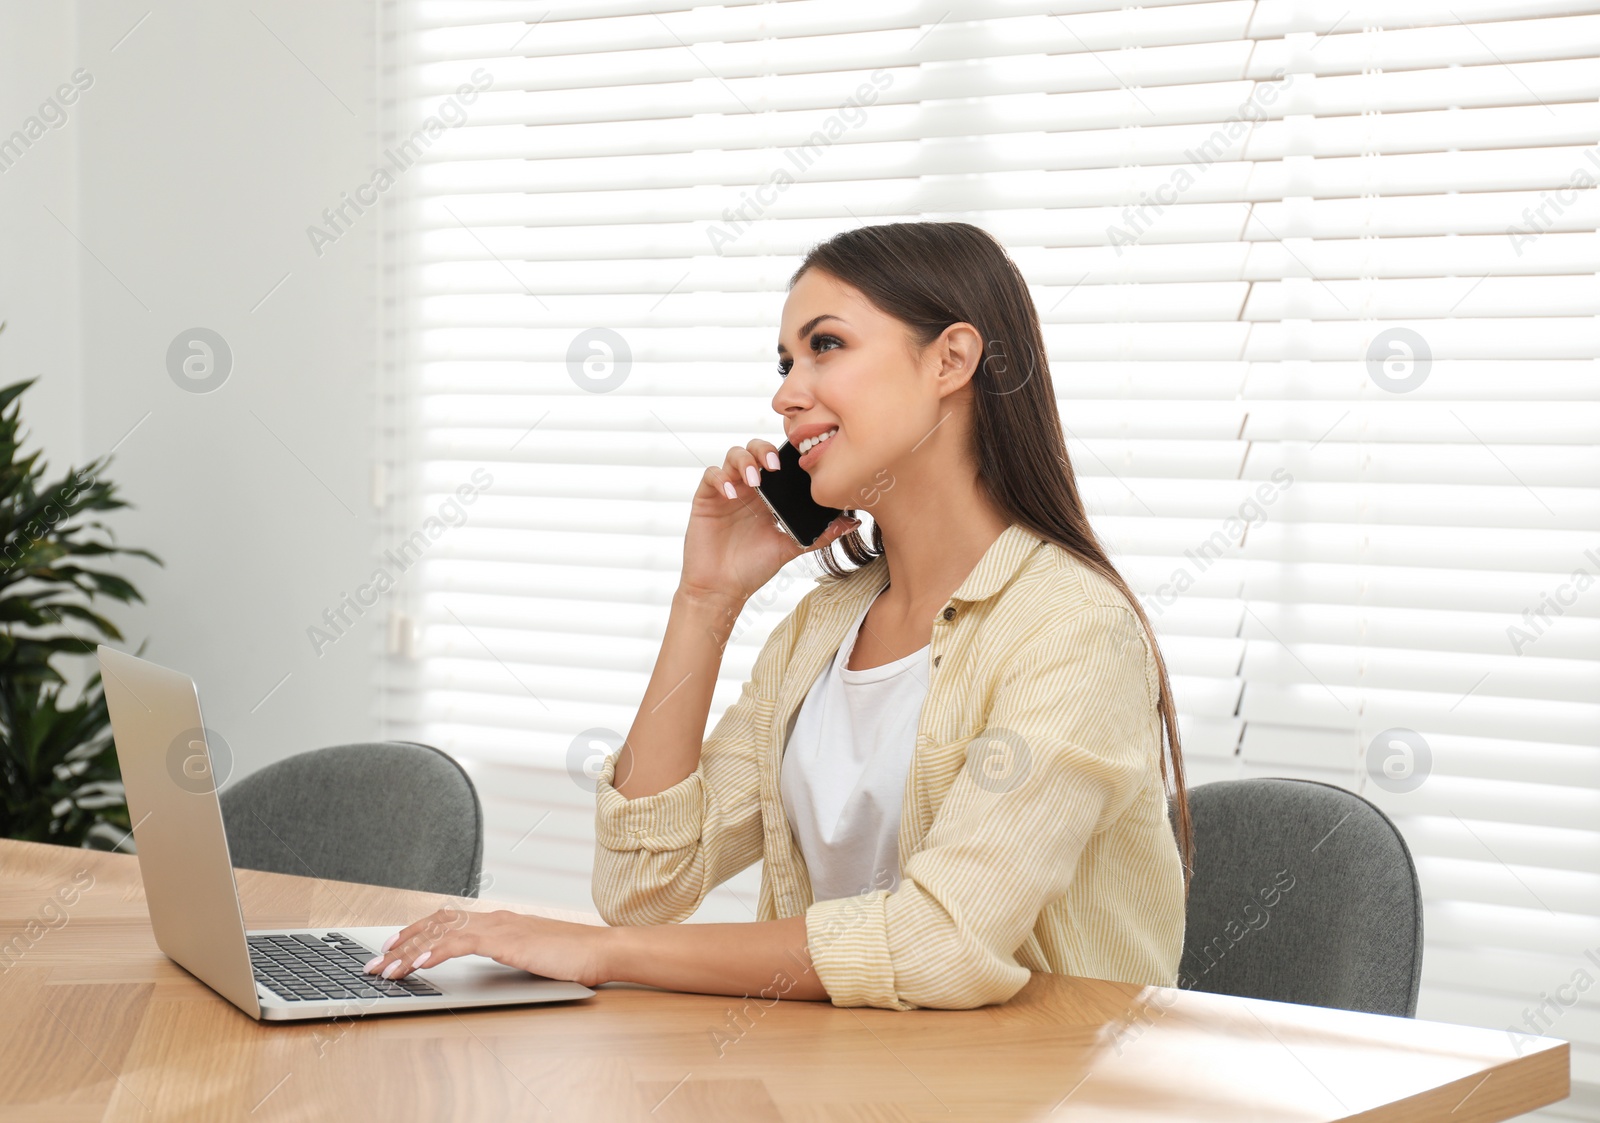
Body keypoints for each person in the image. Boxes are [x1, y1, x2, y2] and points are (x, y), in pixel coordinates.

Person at [365, 221, 1194, 1011]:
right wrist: (707, 600)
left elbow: (939, 942)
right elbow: (644, 886)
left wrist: (594, 952)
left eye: (825, 346)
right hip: (854, 1076)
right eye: (785, 360)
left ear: (951, 359)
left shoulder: (1074, 630)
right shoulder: (826, 627)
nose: (785, 395)